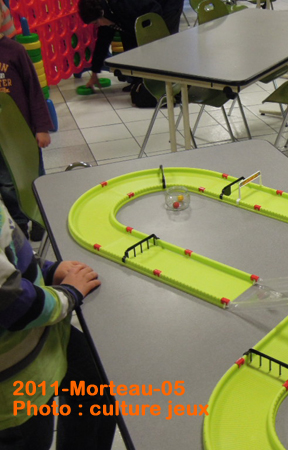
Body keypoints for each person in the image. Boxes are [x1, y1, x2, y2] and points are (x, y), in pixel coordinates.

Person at [0, 200, 116, 449]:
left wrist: (47, 270)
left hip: (45, 340)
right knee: (32, 439)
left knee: (98, 384)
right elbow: (16, 306)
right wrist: (69, 293)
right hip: (15, 385)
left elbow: (10, 254)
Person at [0, 31, 53, 240]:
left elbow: (34, 90)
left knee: (34, 176)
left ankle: (40, 216)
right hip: (1, 138)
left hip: (23, 133)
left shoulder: (15, 51)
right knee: (6, 183)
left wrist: (42, 127)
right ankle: (19, 221)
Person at [78, 0, 184, 90]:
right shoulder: (107, 16)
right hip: (143, 10)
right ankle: (138, 82)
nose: (97, 25)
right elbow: (102, 44)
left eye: (96, 23)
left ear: (102, 13)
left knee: (163, 41)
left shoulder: (124, 5)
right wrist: (94, 73)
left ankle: (171, 84)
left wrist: (148, 35)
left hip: (167, 4)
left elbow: (154, 9)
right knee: (130, 40)